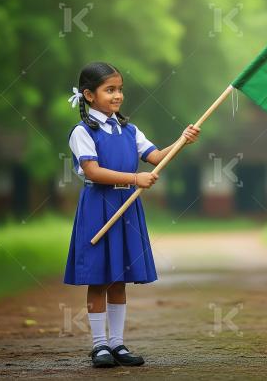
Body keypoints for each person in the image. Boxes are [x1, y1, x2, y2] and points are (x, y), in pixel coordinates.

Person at [64, 61, 200, 367]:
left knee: (119, 278)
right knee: (99, 277)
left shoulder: (129, 130)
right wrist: (134, 179)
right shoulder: (83, 131)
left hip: (128, 208)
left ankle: (117, 344)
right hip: (98, 207)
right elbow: (93, 171)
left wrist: (182, 140)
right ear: (88, 95)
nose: (117, 96)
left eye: (120, 89)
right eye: (109, 90)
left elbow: (155, 157)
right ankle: (99, 345)